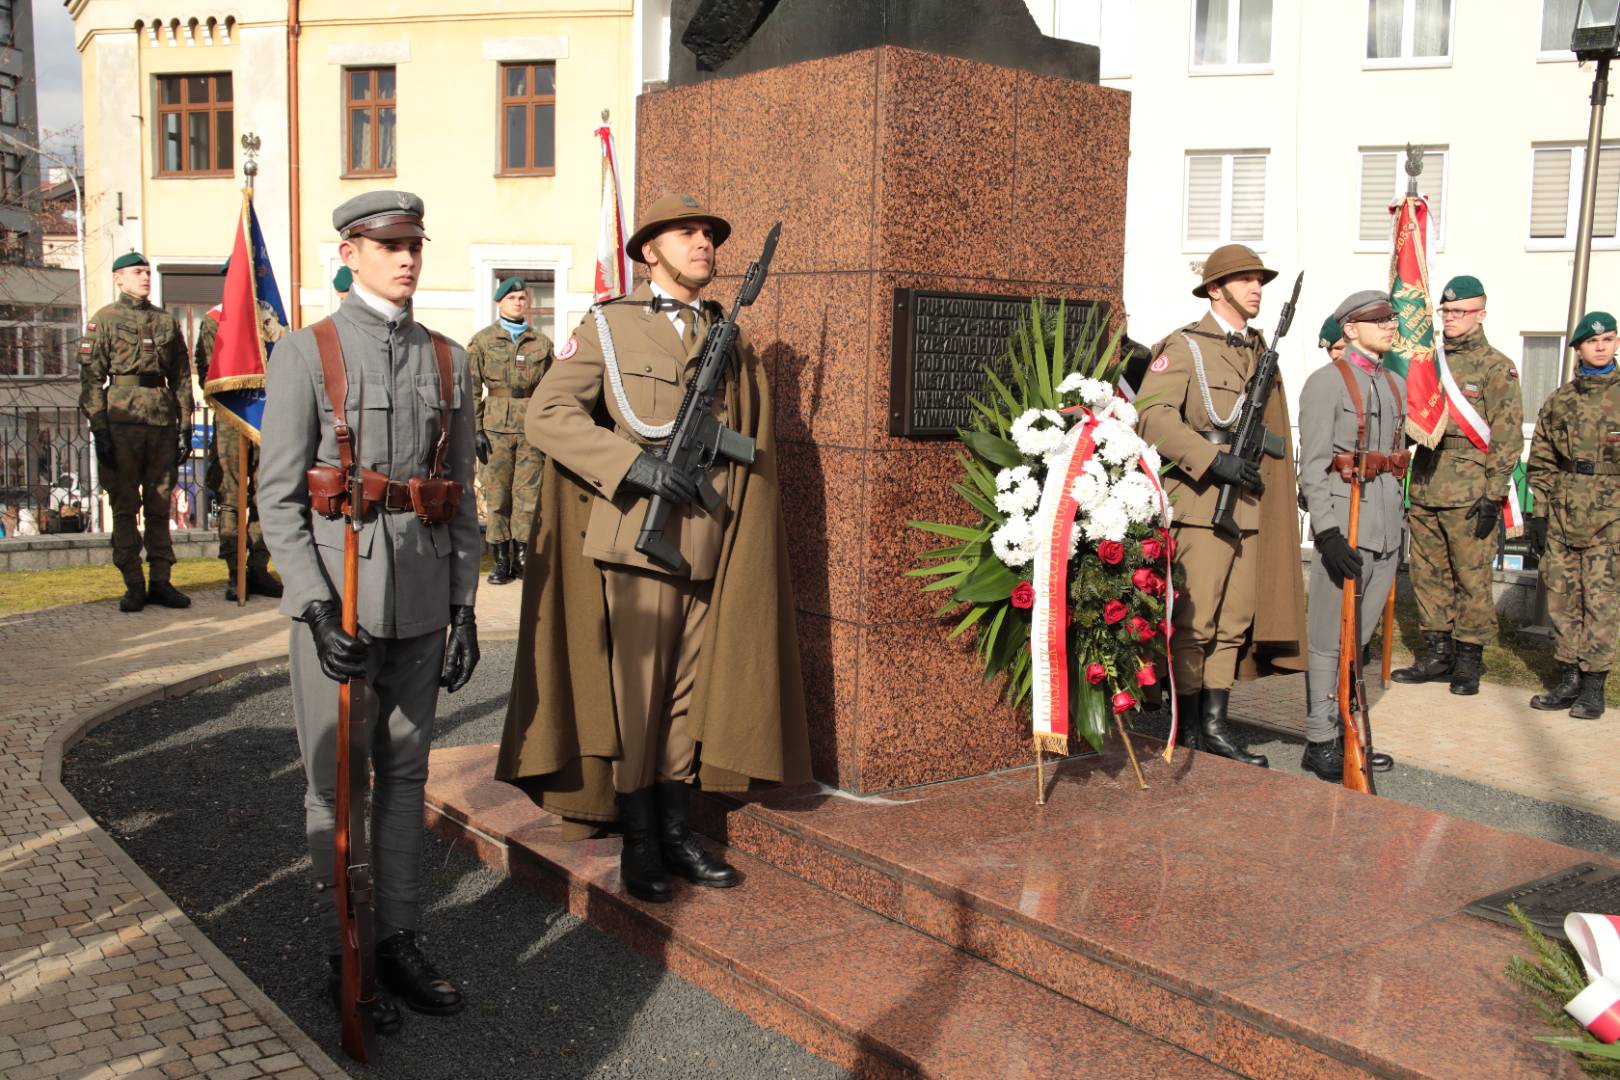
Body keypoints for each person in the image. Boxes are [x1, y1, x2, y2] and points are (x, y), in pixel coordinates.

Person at [496, 193, 811, 903]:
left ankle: (675, 831)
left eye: (710, 234)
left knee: (682, 701)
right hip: (637, 539)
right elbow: (548, 415)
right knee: (637, 700)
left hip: (707, 538)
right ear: (649, 251)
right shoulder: (610, 326)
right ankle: (639, 839)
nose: (704, 243)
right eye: (687, 233)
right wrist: (634, 466)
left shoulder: (727, 337)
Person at [258, 190, 481, 1031]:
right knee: (336, 783)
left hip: (421, 598)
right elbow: (279, 500)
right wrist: (314, 608)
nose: (407, 257)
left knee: (406, 777)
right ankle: (344, 948)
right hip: (339, 605)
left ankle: (398, 940)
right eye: (389, 245)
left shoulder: (450, 360)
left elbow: (460, 493)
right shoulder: (307, 353)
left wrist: (464, 606)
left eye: (414, 243)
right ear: (350, 253)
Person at [1135, 244, 1307, 768]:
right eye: (1245, 279)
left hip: (1248, 503)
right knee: (1197, 620)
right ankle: (1189, 726)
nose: (1257, 289)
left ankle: (1215, 725)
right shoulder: (1184, 346)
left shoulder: (1259, 352)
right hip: (1202, 501)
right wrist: (1213, 460)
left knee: (1233, 620)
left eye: (1260, 280)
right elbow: (1153, 416)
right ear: (1215, 289)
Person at [1391, 275, 1523, 695]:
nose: (1449, 317)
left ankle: (1468, 661)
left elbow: (1506, 434)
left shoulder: (1496, 366)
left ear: (1480, 314)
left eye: (1459, 311)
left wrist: (1494, 493)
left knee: (1471, 578)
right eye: (1445, 311)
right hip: (1427, 483)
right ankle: (1437, 653)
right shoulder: (1426, 361)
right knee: (1427, 575)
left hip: (1470, 490)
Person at [1296, 292, 1407, 780]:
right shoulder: (1326, 383)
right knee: (1327, 637)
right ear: (1350, 329)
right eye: (1377, 319)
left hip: (1385, 529)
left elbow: (1396, 461)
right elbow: (1314, 466)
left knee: (1358, 638)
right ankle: (1320, 739)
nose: (1389, 325)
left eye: (1391, 318)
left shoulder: (1395, 384)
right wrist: (1327, 533)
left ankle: (1347, 730)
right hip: (1345, 526)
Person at [79, 251, 195, 612]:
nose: (145, 277)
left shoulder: (165, 321)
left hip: (160, 422)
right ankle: (133, 582)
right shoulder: (105, 320)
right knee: (125, 506)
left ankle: (161, 580)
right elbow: (91, 379)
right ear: (119, 278)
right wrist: (100, 428)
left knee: (160, 504)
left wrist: (185, 424)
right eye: (137, 272)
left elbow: (181, 376)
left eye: (147, 271)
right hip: (121, 422)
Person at [1526, 310, 1620, 719]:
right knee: (1563, 598)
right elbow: (1541, 459)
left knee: (1601, 601)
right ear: (1578, 348)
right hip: (1564, 513)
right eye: (1592, 341)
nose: (1600, 347)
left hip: (1611, 518)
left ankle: (1594, 686)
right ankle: (1568, 678)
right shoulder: (1560, 400)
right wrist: (1540, 514)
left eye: (1608, 340)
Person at [195, 268, 287, 602]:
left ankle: (259, 567)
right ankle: (235, 571)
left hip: (266, 415)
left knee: (267, 494)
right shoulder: (215, 321)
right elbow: (210, 371)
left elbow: (284, 359)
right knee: (232, 497)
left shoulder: (269, 315)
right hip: (232, 418)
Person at [468, 276, 552, 585]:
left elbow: (553, 388)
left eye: (522, 298)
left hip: (531, 428)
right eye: (511, 298)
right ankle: (501, 559)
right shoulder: (482, 341)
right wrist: (476, 429)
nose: (518, 303)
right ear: (499, 303)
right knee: (497, 494)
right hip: (495, 430)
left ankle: (522, 556)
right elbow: (470, 389)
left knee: (527, 495)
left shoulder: (541, 343)